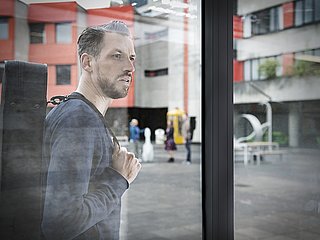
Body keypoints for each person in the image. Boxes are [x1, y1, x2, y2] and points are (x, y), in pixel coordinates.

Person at [41, 21, 141, 240]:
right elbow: (60, 223)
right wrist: (119, 179)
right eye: (117, 56)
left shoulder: (80, 114)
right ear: (87, 62)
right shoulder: (79, 120)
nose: (130, 68)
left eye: (131, 58)